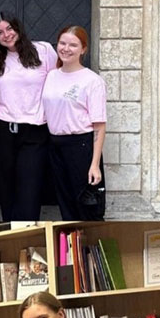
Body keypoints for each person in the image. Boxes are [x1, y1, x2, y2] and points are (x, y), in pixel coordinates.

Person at [0, 12, 57, 220]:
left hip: (34, 131)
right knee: (6, 185)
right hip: (5, 129)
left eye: (9, 28)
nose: (6, 35)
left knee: (30, 185)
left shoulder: (43, 51)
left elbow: (57, 80)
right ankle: (9, 226)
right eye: (0, 32)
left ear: (18, 28)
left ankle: (28, 228)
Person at [42, 25, 107, 220]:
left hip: (81, 146)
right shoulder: (51, 75)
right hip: (55, 145)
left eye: (73, 44)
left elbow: (99, 125)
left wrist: (94, 164)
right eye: (62, 43)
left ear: (83, 49)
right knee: (65, 204)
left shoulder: (92, 81)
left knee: (86, 206)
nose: (66, 48)